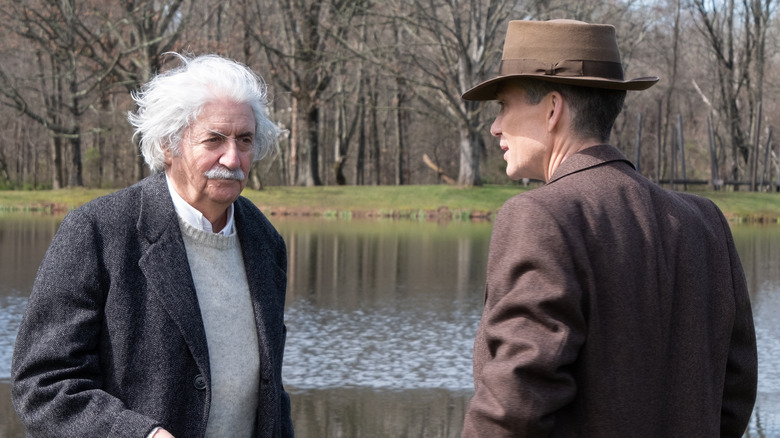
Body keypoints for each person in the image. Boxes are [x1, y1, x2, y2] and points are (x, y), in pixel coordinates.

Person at [461, 19, 757, 437]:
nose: (495, 126)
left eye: (504, 106)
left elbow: (515, 405)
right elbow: (734, 393)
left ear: (552, 109)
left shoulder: (540, 216)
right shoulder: (705, 222)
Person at [12, 53, 294, 438]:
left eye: (244, 140)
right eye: (214, 139)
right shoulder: (98, 231)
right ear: (167, 145)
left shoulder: (265, 240)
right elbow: (42, 385)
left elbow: (271, 393)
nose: (233, 157)